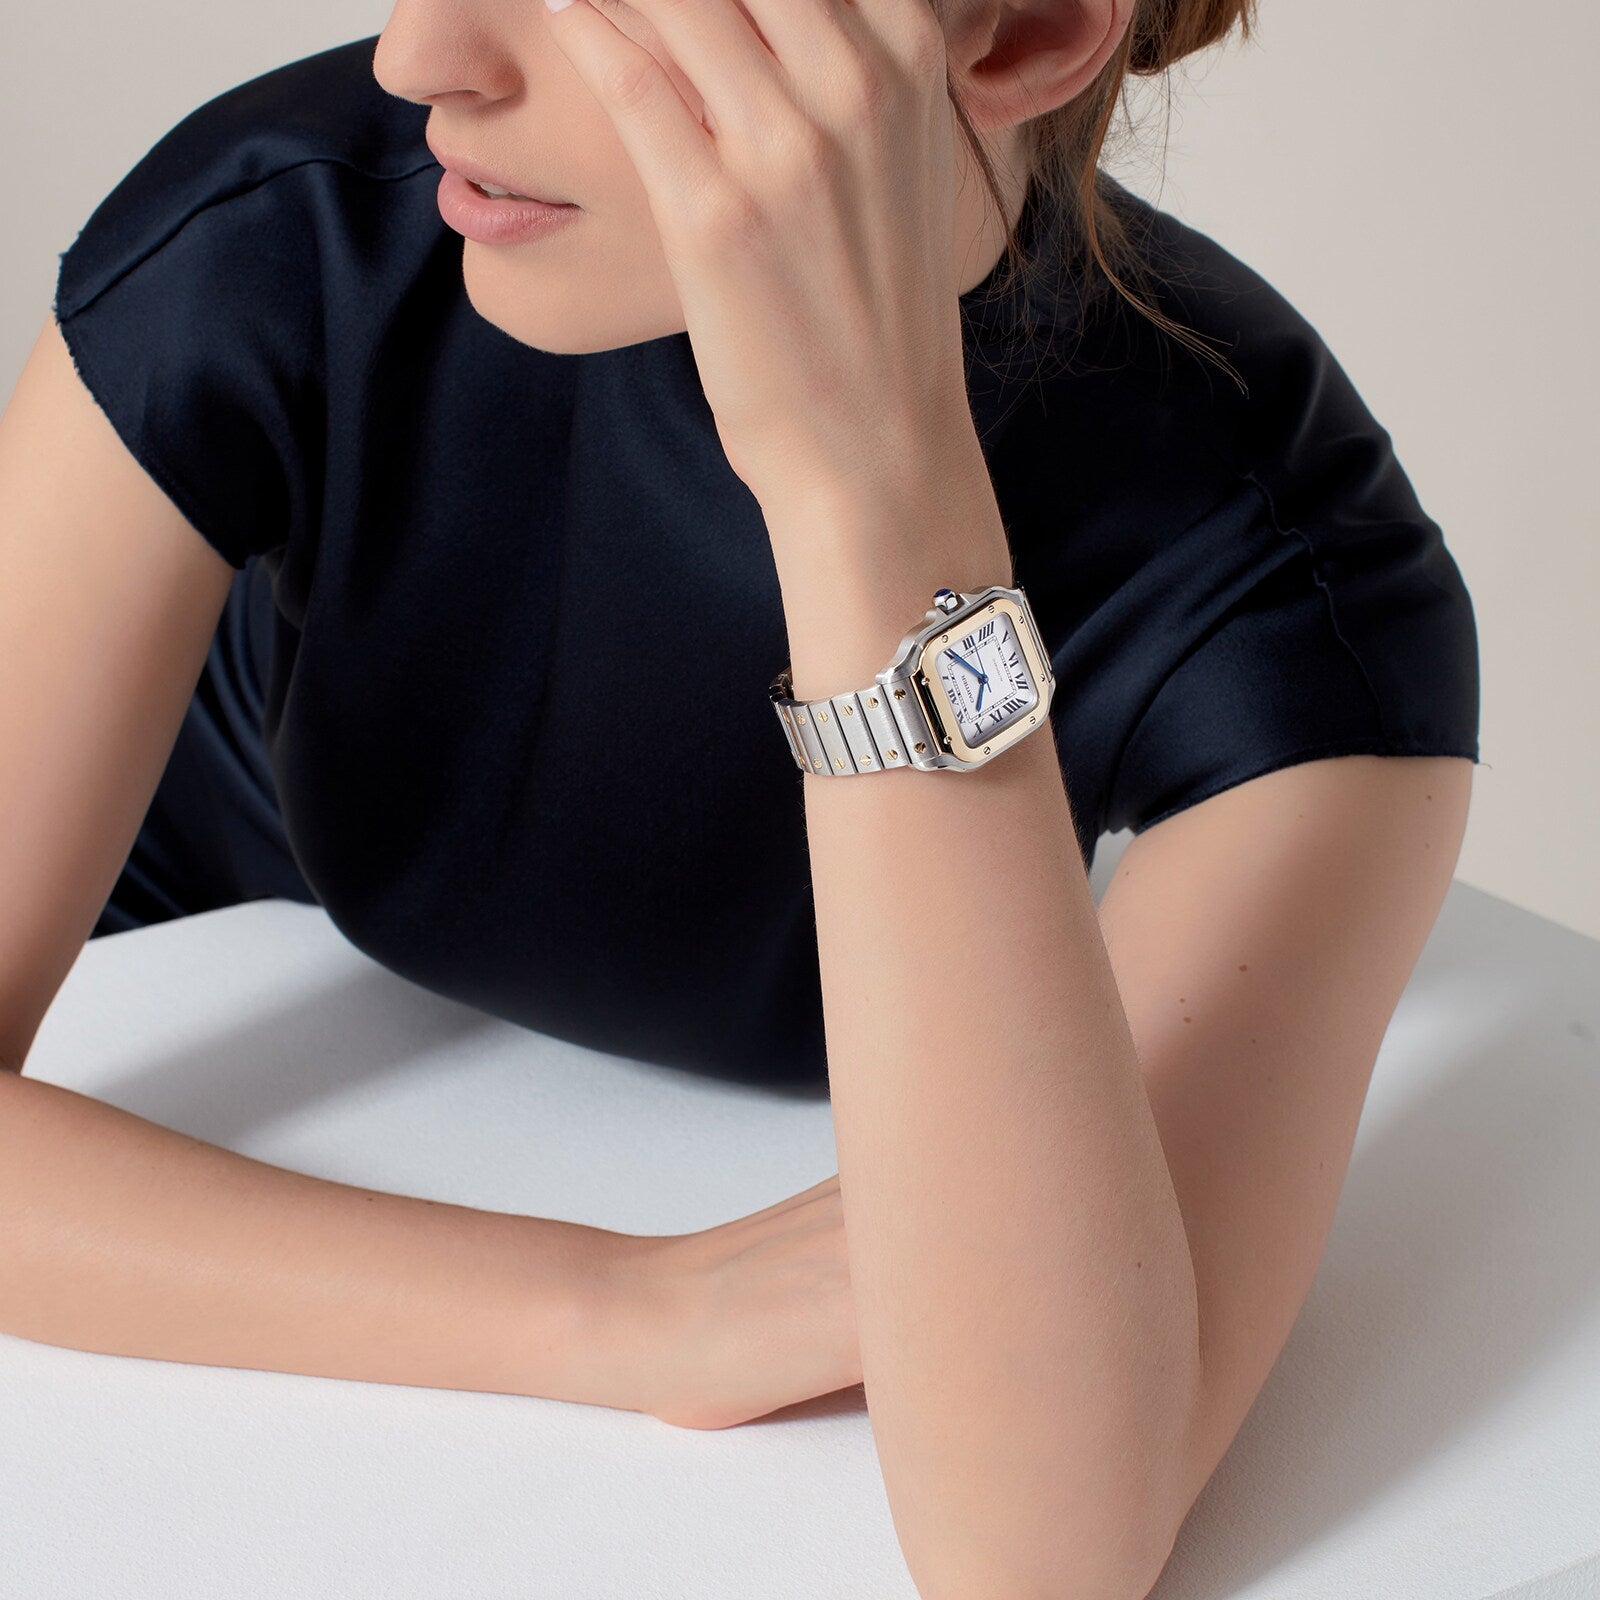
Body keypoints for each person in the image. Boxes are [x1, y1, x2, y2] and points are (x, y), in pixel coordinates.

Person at [0, 0, 1479, 1591]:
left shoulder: (1290, 582)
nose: (422, 55)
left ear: (1023, 31)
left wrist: (870, 485)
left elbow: (1042, 1549)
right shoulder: (285, 226)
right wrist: (635, 1315)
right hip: (192, 989)